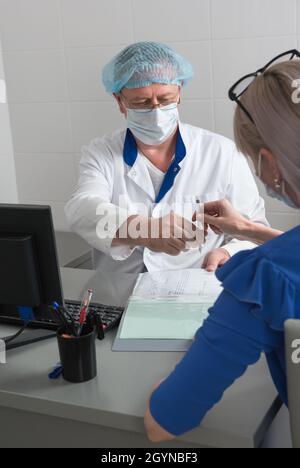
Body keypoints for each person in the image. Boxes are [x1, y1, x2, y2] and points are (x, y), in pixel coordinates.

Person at [144, 51, 300, 442]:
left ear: (270, 164)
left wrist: (170, 380)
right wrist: (247, 229)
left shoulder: (264, 278)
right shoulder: (101, 152)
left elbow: (163, 423)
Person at [65, 42, 267, 274]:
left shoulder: (222, 152)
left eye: (166, 99)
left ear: (179, 92)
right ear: (120, 102)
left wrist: (228, 252)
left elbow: (254, 230)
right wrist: (143, 229)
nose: (156, 111)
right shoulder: (100, 152)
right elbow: (81, 211)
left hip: (195, 288)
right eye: (141, 103)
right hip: (121, 292)